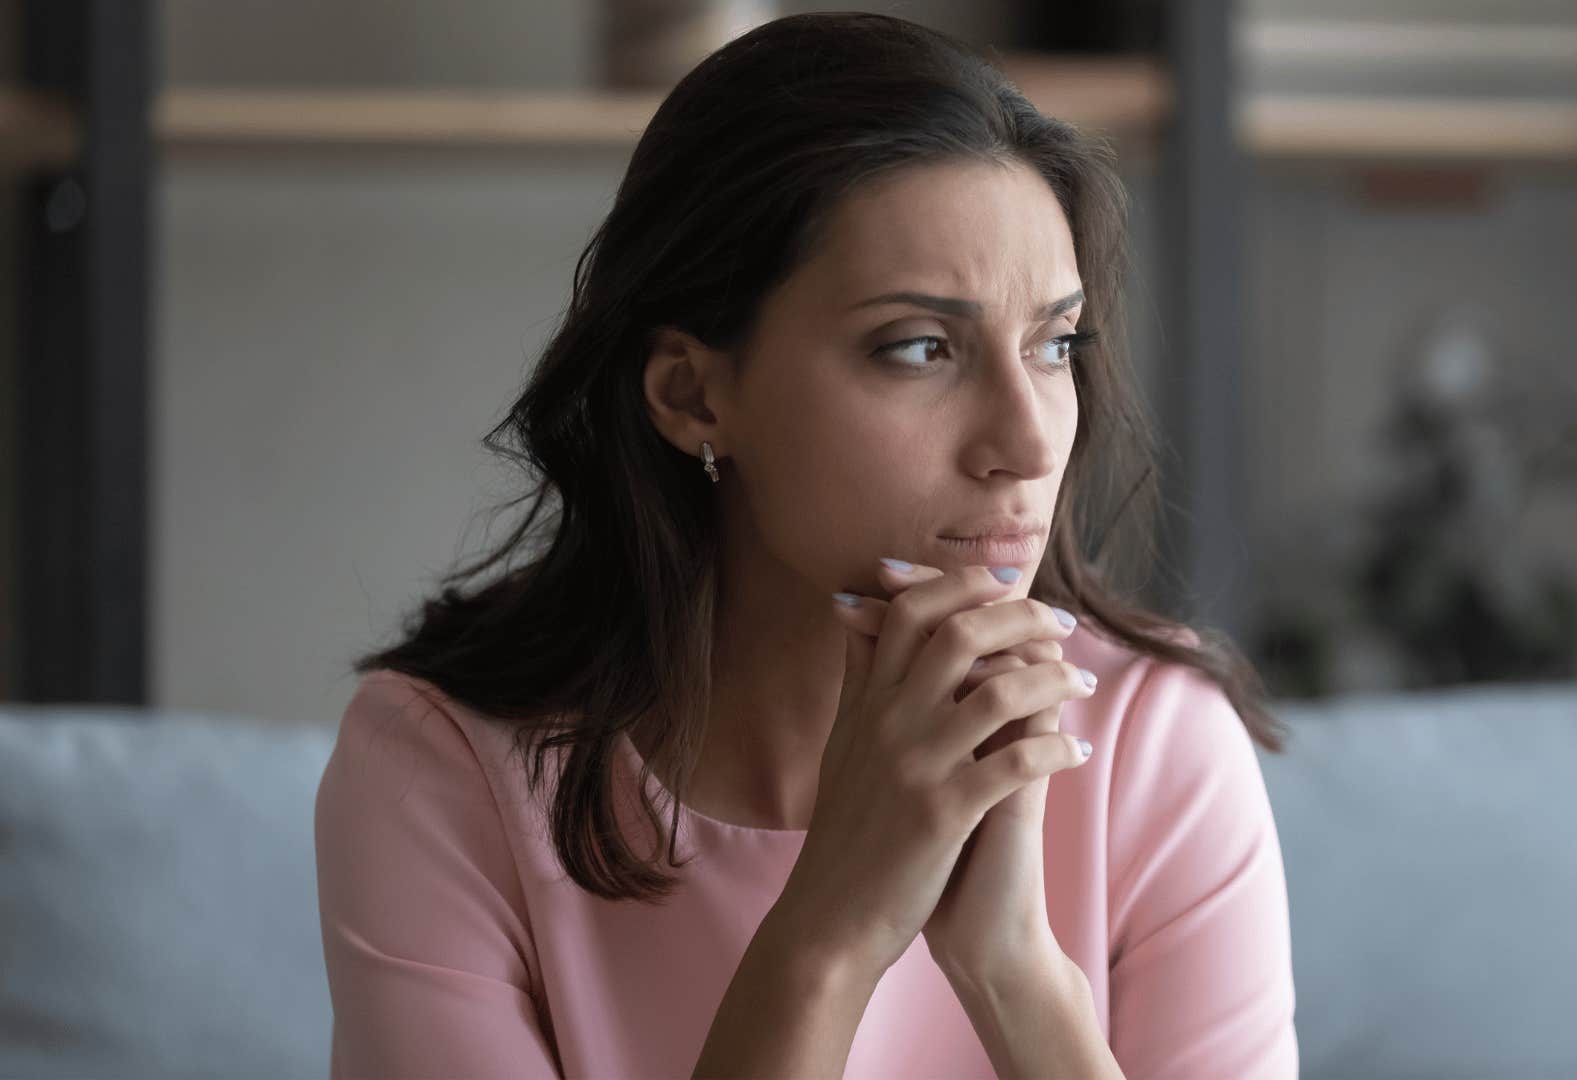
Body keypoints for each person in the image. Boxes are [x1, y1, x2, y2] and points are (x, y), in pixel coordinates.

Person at [314, 11, 1297, 1078]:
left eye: (1054, 344)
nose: (1025, 440)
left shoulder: (1160, 748)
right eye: (920, 348)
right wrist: (829, 936)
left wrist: (1015, 970)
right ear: (693, 395)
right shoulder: (444, 768)